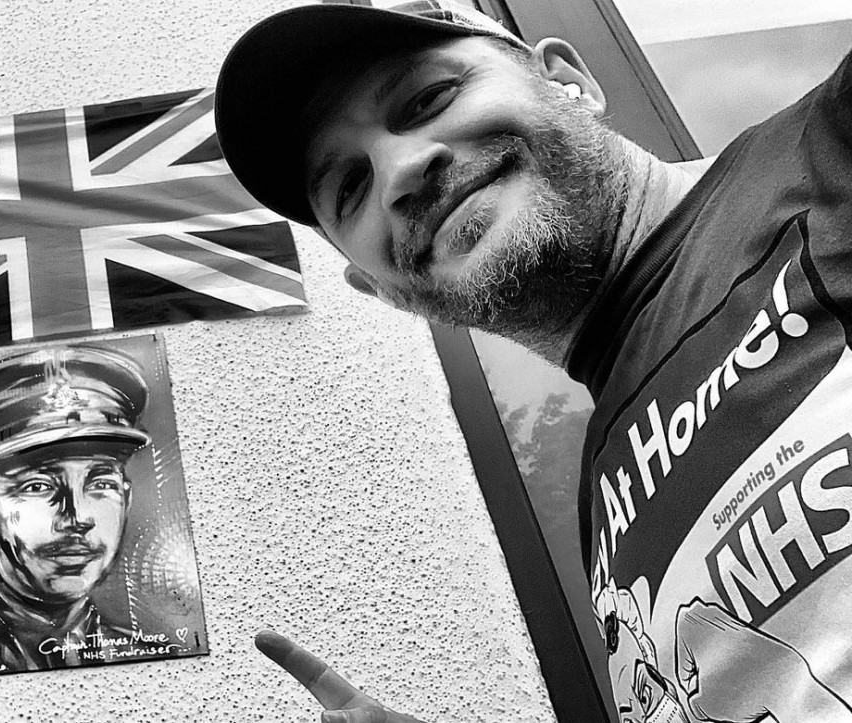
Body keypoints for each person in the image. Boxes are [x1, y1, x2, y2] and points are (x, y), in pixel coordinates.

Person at [216, 1, 852, 721]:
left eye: (429, 98)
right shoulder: (603, 510)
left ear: (568, 81)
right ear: (378, 288)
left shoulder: (827, 148)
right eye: (350, 188)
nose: (400, 171)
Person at [0, 345, 152, 680]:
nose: (77, 517)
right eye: (38, 486)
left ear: (126, 498)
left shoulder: (143, 657)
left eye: (101, 484)